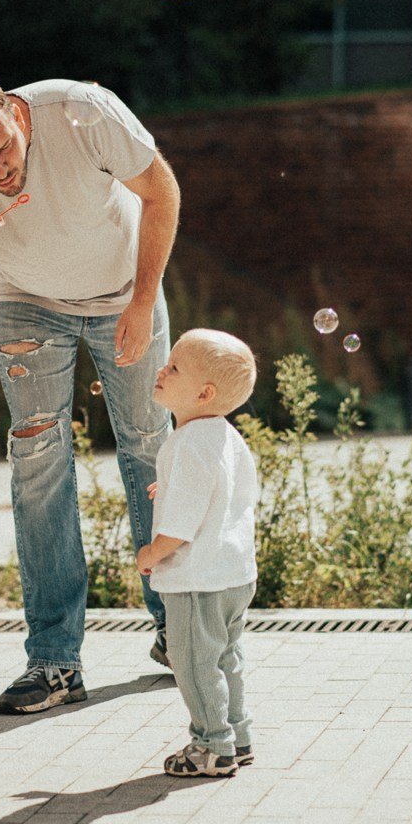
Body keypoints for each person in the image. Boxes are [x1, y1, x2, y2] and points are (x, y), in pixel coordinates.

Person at [0, 74, 180, 713]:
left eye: (3, 148)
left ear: (15, 113)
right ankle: (54, 661)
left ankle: (178, 629)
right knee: (38, 464)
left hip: (124, 292)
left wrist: (143, 300)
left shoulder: (78, 111)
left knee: (149, 448)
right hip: (28, 305)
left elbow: (161, 190)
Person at [137, 329, 258, 779]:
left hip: (196, 580)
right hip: (233, 575)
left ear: (204, 392)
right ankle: (238, 736)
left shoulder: (187, 443)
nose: (162, 371)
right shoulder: (223, 435)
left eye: (174, 369)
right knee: (227, 659)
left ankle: (212, 747)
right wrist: (168, 488)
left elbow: (180, 528)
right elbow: (224, 492)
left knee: (193, 665)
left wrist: (151, 552)